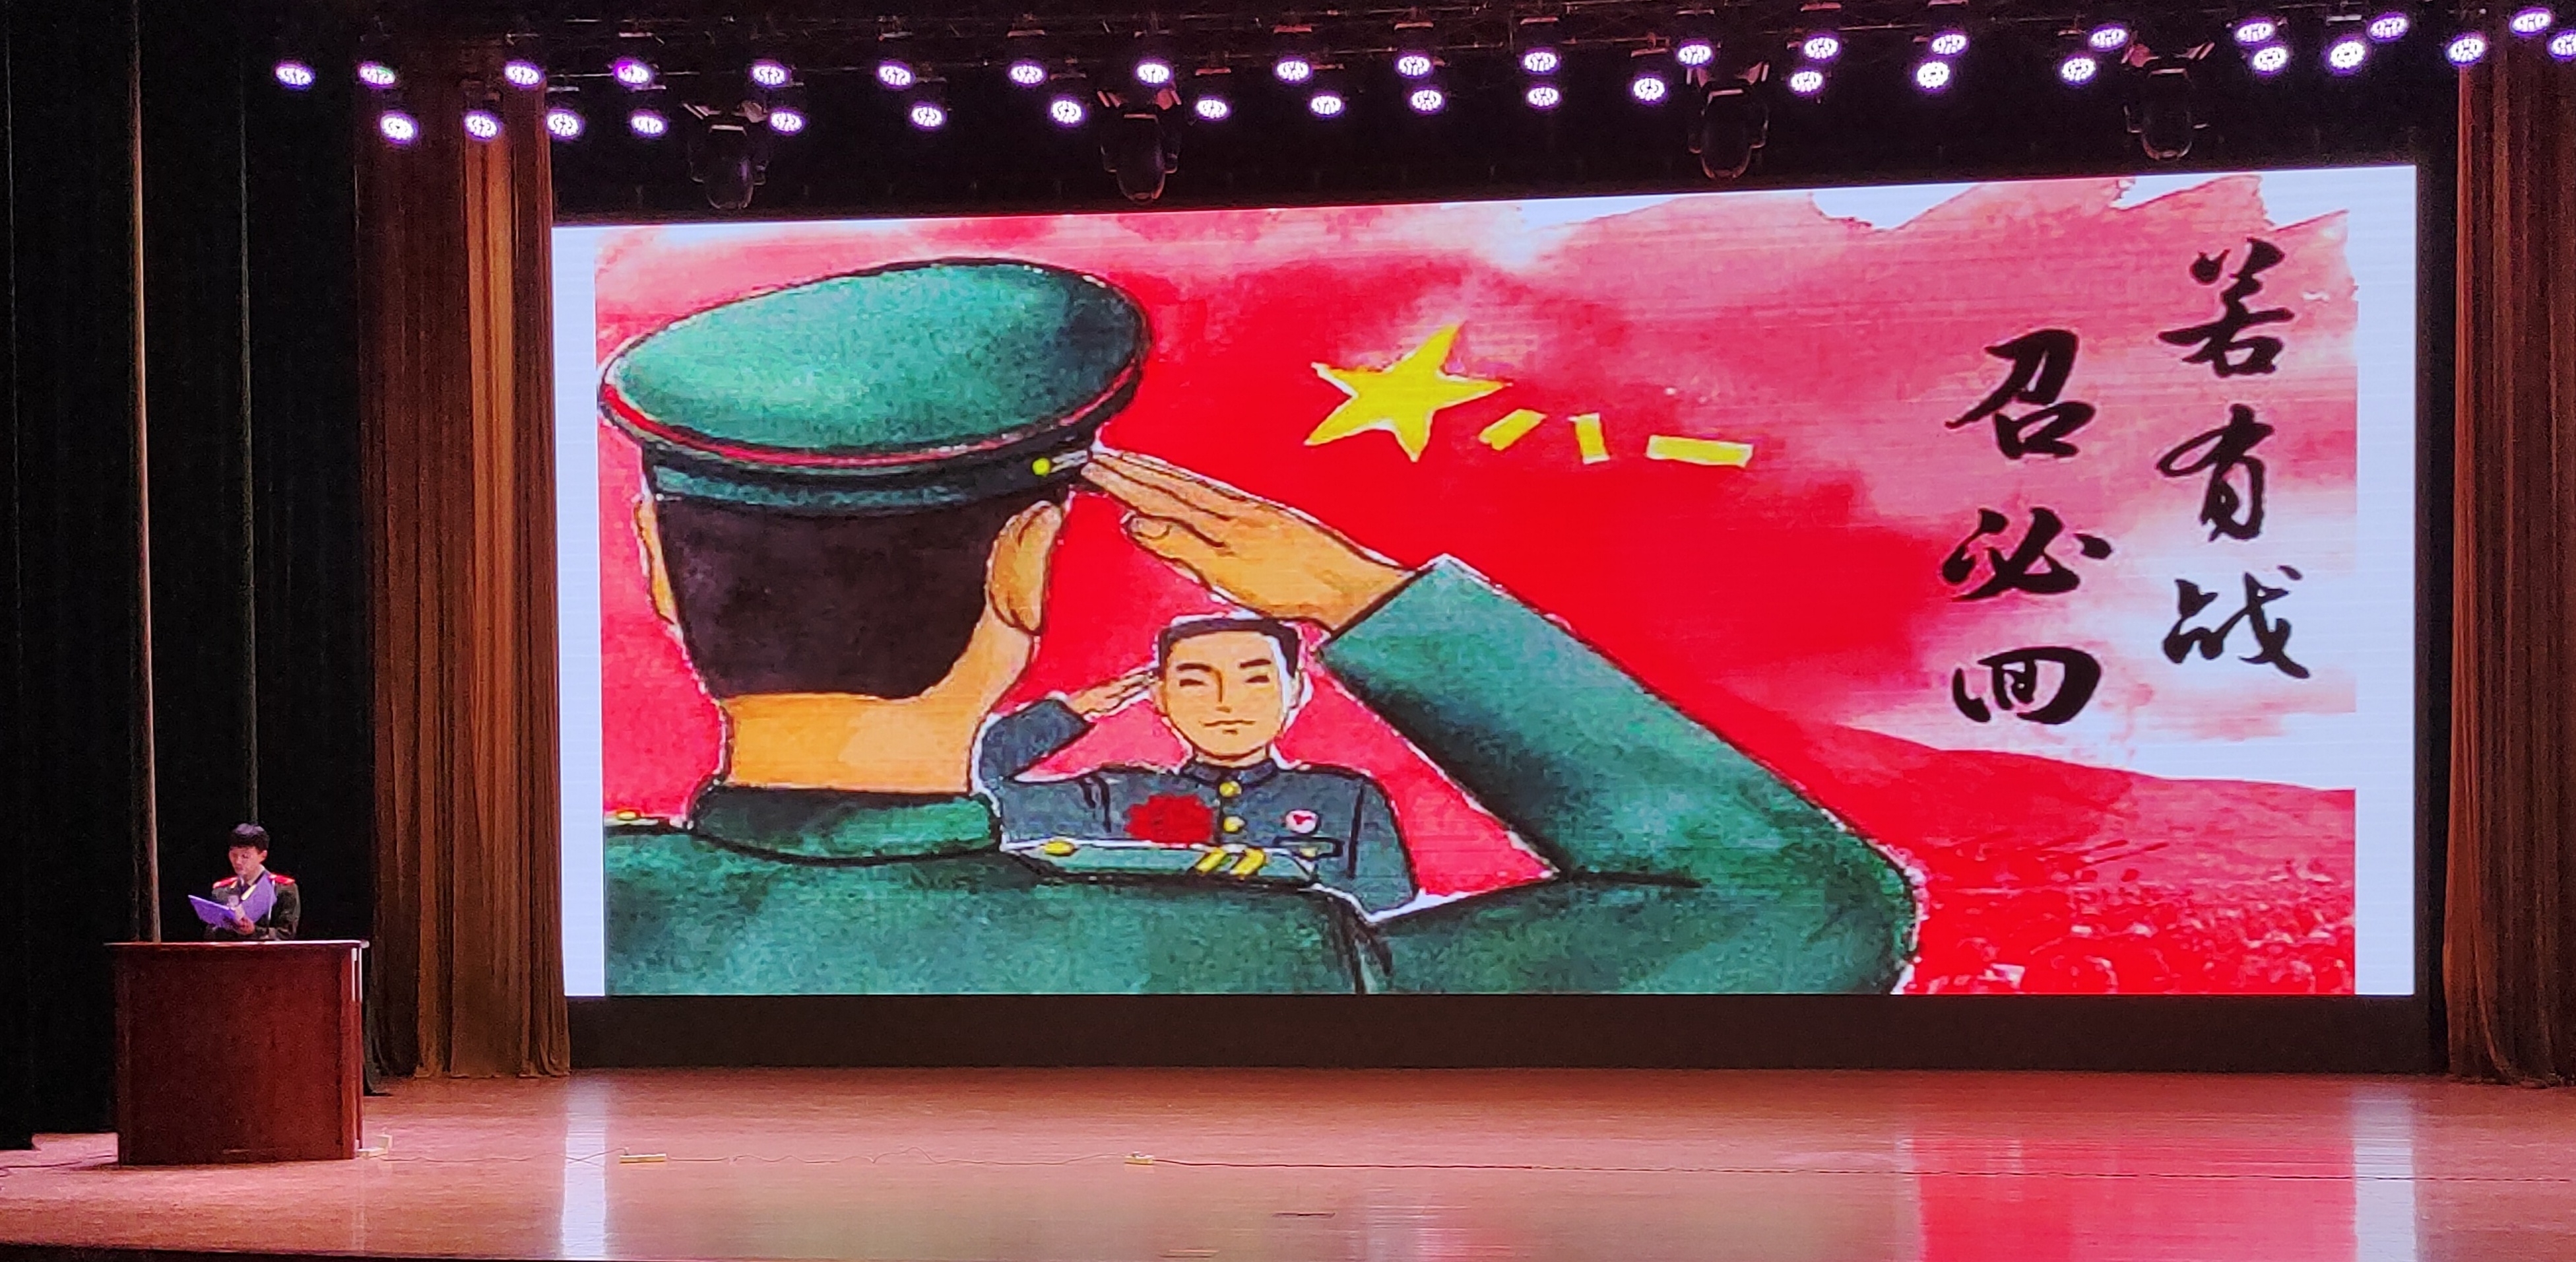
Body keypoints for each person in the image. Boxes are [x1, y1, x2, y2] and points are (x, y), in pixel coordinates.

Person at [600, 258, 1914, 995]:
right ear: (1023, 570)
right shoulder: (1251, 959)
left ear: (660, 564)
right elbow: (1800, 904)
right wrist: (1358, 593)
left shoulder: (577, 919)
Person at [975, 614, 1419, 916]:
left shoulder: (1343, 799)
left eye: (1256, 680)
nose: (1226, 702)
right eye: (1195, 683)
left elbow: (1386, 916)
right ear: (1159, 696)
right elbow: (976, 783)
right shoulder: (1114, 797)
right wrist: (1072, 711)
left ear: (1297, 691)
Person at [207, 824, 300, 941]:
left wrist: (254, 931)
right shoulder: (222, 890)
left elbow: (286, 934)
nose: (238, 861)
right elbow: (210, 934)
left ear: (263, 856)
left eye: (245, 856)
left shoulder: (283, 889)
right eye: (234, 855)